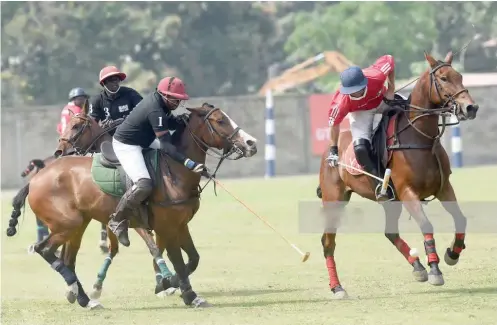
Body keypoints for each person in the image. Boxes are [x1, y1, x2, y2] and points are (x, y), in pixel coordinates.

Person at [109, 76, 208, 247]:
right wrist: (190, 164)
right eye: (175, 99)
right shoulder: (155, 109)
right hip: (127, 145)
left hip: (144, 140)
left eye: (179, 100)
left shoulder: (161, 104)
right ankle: (117, 220)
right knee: (144, 184)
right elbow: (167, 146)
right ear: (164, 95)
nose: (177, 103)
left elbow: (166, 122)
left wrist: (181, 120)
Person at [325, 54, 396, 201]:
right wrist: (333, 150)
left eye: (357, 89)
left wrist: (391, 89)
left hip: (382, 102)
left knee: (410, 114)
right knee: (361, 149)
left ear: (365, 82)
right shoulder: (340, 103)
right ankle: (380, 185)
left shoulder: (376, 76)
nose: (355, 93)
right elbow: (334, 124)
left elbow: (389, 59)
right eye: (351, 91)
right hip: (360, 114)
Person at [88, 65, 144, 252]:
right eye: (111, 80)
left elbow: (144, 112)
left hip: (133, 137)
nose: (115, 83)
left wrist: (123, 121)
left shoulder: (130, 94)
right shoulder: (97, 100)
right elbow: (92, 122)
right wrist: (102, 125)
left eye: (117, 79)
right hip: (110, 141)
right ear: (104, 83)